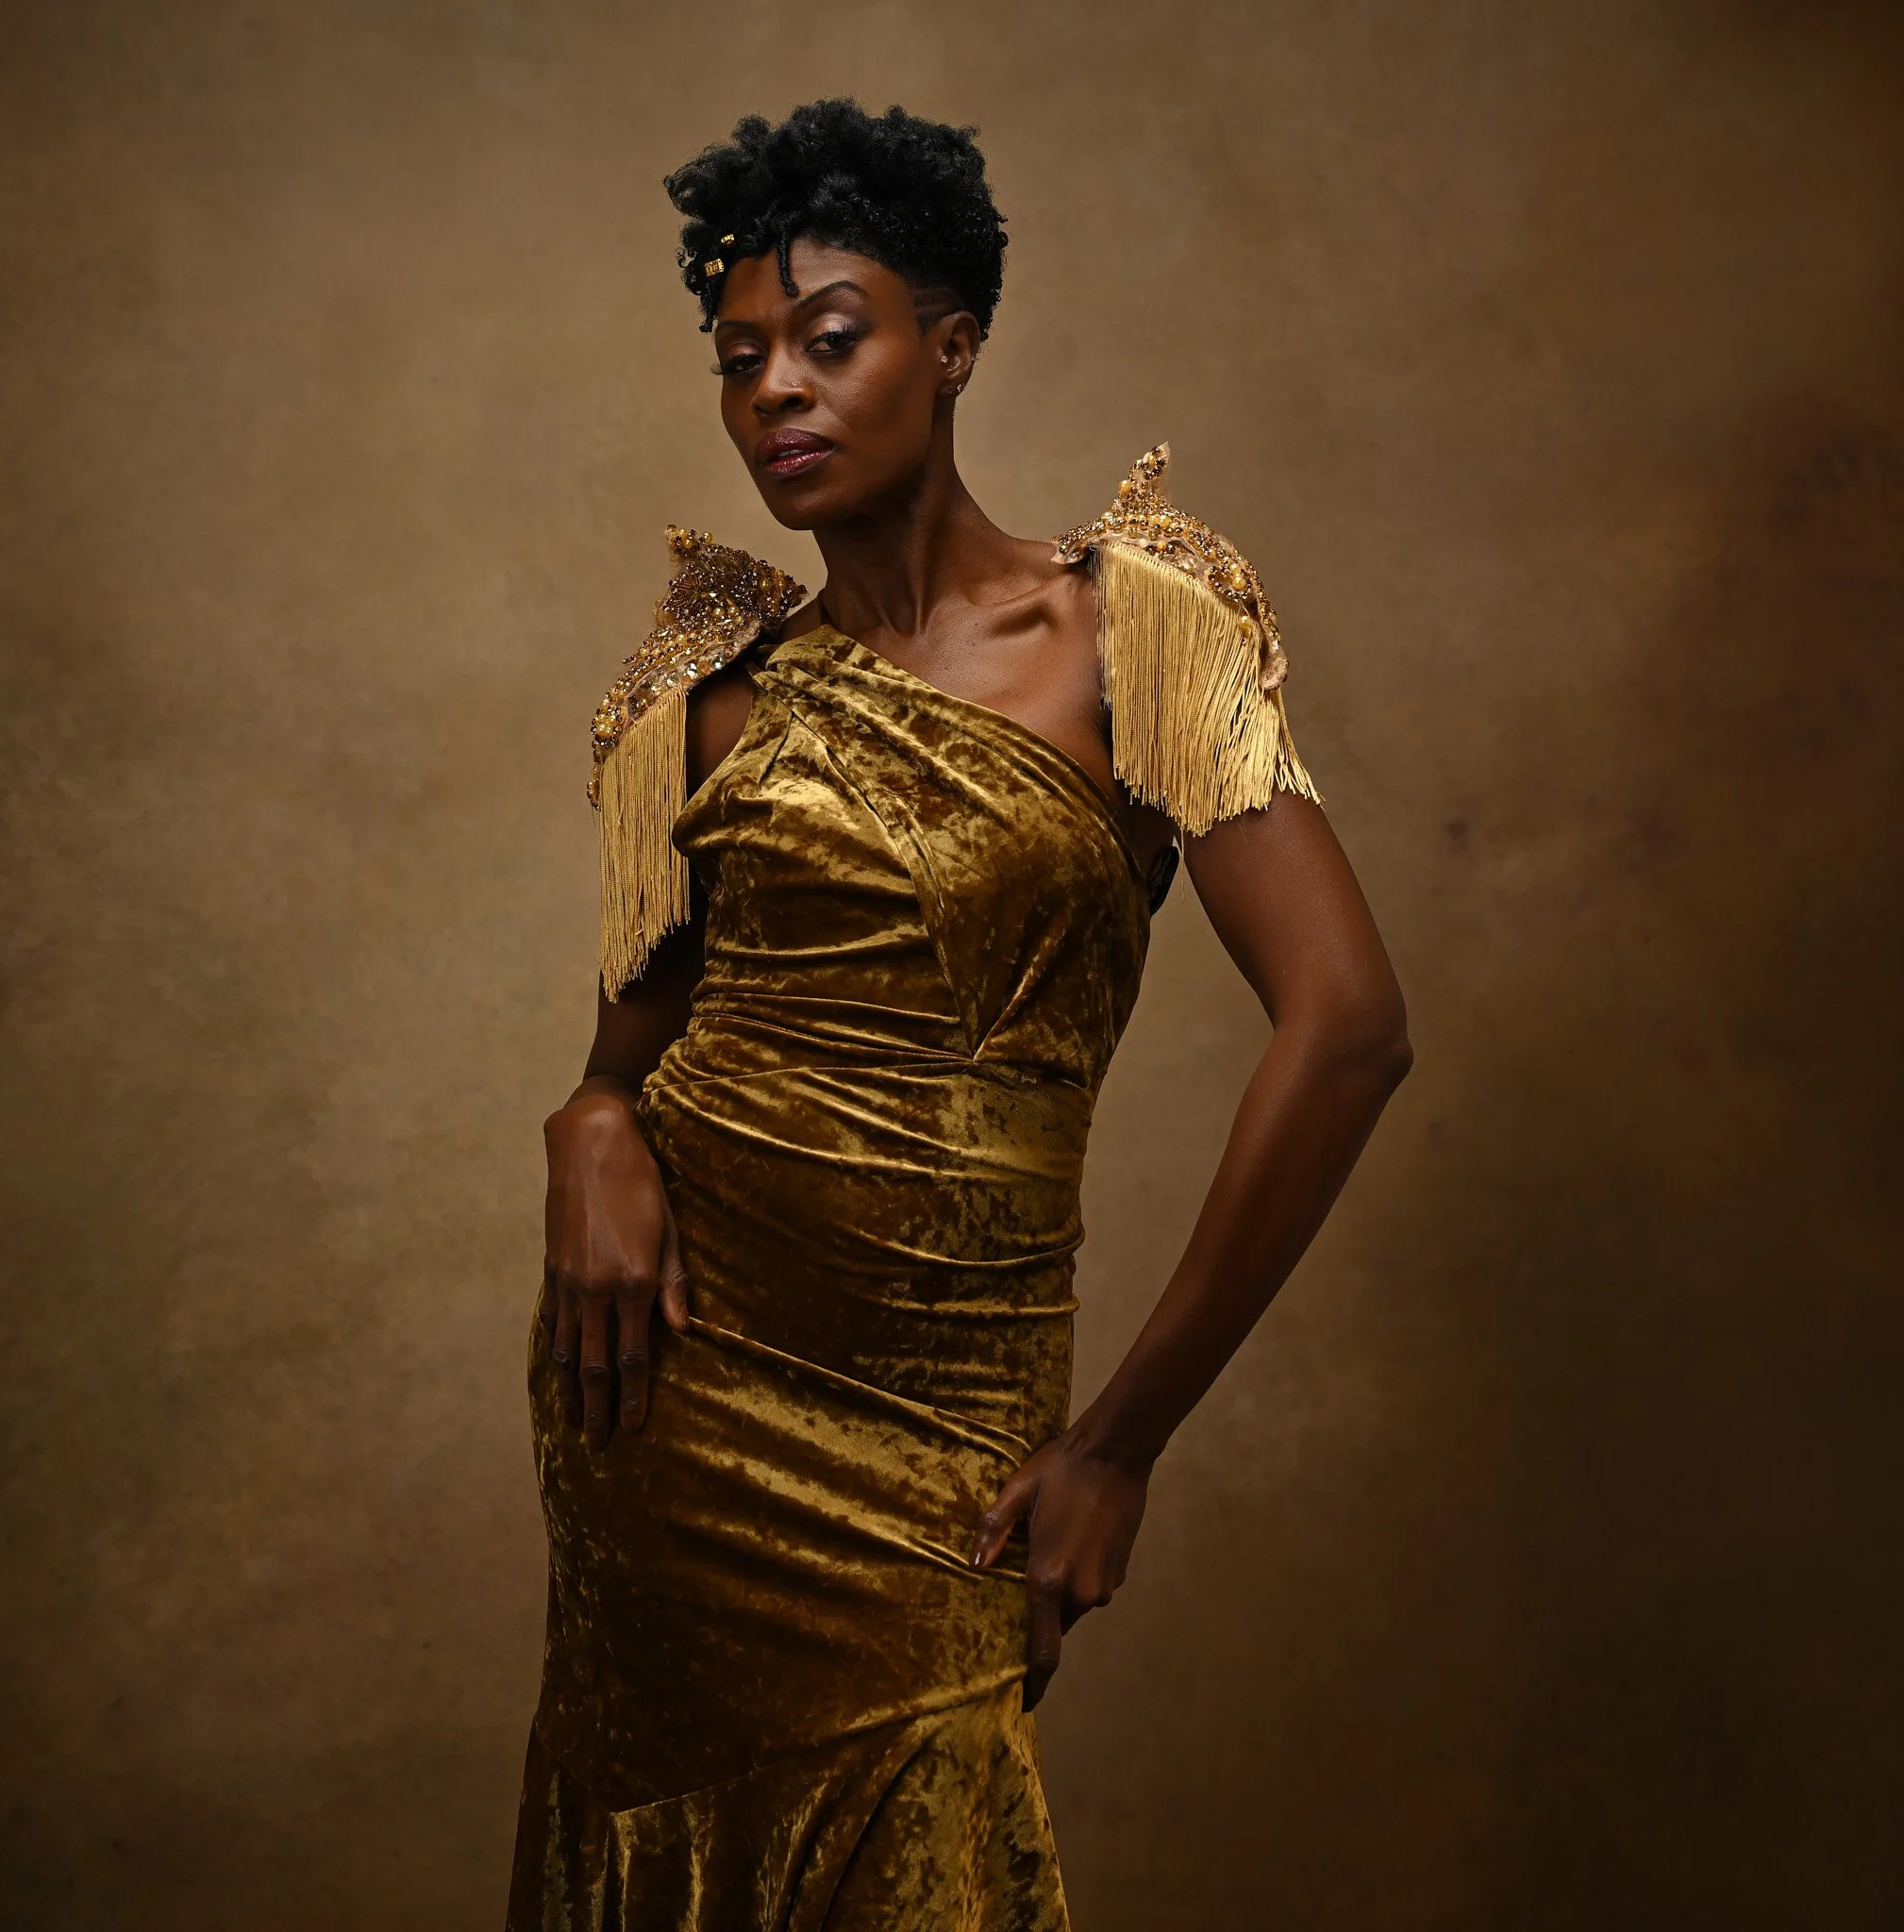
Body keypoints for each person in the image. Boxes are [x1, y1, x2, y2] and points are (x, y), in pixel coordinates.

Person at [507, 98, 1411, 1931]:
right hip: (671, 1419)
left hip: (946, 1438)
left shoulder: (1125, 636)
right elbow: (626, 1054)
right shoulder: (713, 690)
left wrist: (1116, 1444)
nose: (779, 390)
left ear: (953, 345)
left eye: (831, 340)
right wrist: (591, 1125)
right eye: (742, 356)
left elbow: (1348, 1027)